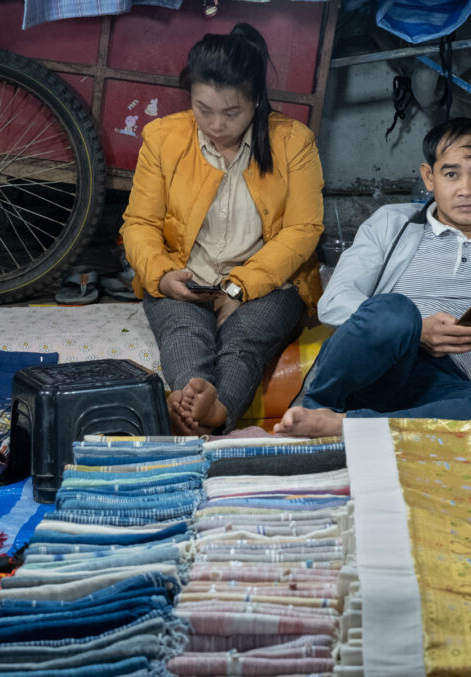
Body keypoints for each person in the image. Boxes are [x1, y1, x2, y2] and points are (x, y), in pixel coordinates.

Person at [275, 117, 471, 438]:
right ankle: (318, 406)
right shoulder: (391, 224)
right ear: (429, 177)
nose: (466, 189)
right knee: (395, 310)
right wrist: (416, 329)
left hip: (443, 382)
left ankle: (351, 425)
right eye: (451, 174)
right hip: (371, 366)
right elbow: (333, 303)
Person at [121, 23, 324, 436]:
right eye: (203, 109)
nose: (215, 124)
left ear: (256, 101)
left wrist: (238, 287)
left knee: (244, 338)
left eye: (231, 112)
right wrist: (161, 274)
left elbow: (303, 230)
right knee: (184, 332)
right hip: (185, 275)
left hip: (268, 284)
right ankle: (190, 403)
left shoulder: (293, 141)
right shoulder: (163, 138)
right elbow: (138, 223)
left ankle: (215, 413)